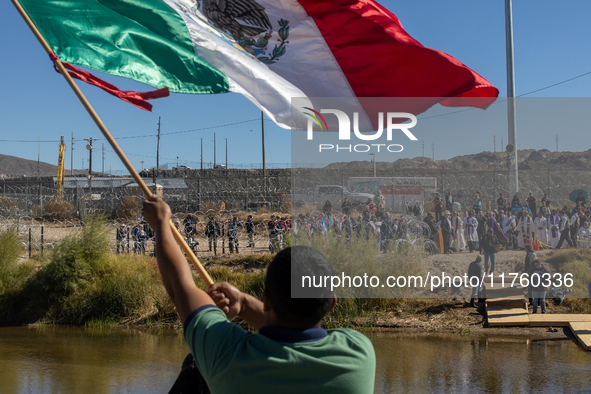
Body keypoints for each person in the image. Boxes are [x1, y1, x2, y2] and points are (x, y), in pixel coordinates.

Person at [141, 197, 376, 394]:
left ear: (266, 299)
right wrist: (242, 304)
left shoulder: (228, 356)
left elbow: (180, 286)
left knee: (195, 369)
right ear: (331, 304)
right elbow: (293, 330)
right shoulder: (359, 352)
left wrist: (161, 223)